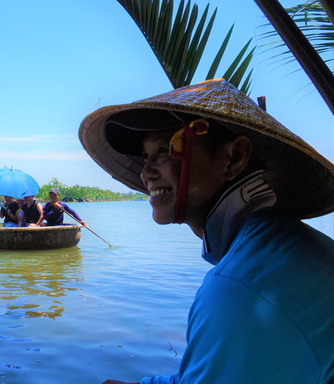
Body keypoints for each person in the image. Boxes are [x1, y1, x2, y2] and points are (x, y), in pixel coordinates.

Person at [78, 79, 334, 384]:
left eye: (163, 149)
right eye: (145, 156)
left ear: (234, 157)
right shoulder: (279, 248)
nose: (146, 173)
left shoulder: (242, 289)